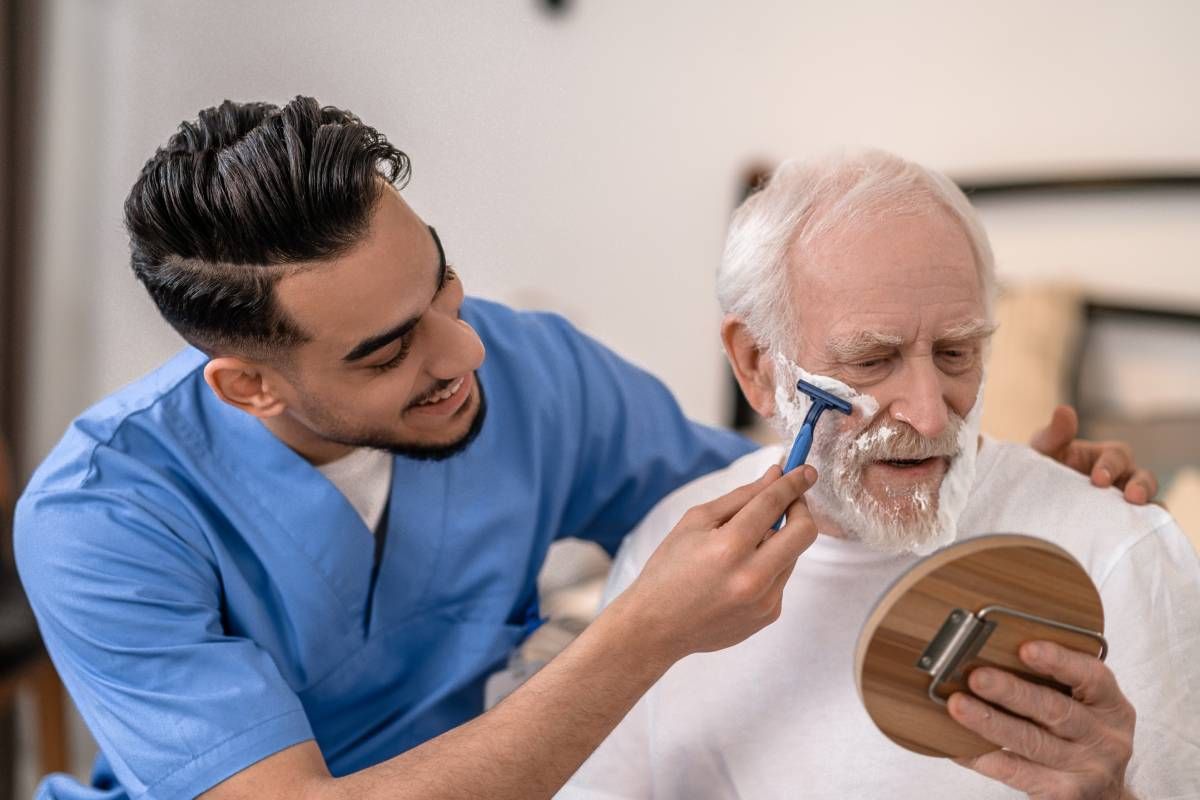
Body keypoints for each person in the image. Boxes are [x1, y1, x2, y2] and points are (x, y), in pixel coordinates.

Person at [14, 99, 1153, 800]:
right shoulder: (102, 516)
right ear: (251, 383)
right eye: (387, 348)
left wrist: (1006, 475)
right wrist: (644, 632)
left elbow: (783, 485)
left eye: (444, 280)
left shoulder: (535, 369)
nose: (465, 348)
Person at [560, 150, 1200, 799]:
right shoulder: (668, 551)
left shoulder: (1119, 553)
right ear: (756, 364)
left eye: (956, 354)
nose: (927, 415)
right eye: (872, 360)